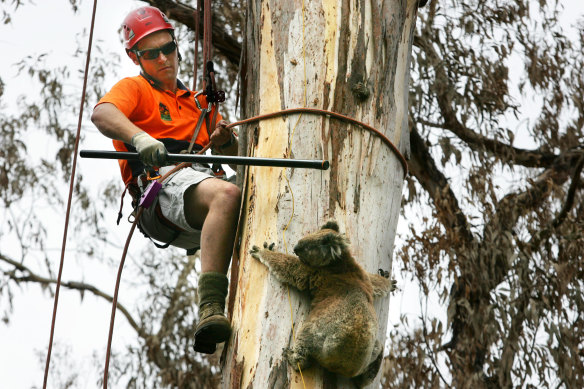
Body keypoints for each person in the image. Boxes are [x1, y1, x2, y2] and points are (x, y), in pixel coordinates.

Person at [91, 6, 241, 354]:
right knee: (227, 196)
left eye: (168, 48)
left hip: (198, 185)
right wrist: (141, 139)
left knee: (261, 192)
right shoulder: (136, 89)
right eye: (151, 53)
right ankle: (210, 308)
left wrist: (225, 142)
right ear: (135, 58)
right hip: (159, 193)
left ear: (177, 46)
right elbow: (103, 113)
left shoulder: (198, 103)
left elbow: (231, 155)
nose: (163, 59)